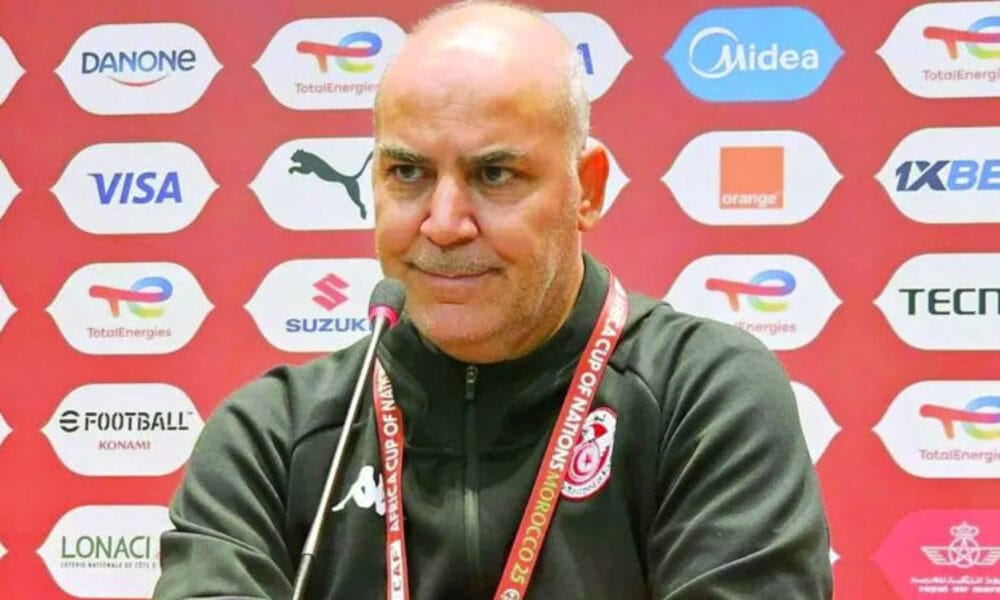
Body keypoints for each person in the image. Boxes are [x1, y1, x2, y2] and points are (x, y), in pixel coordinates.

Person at [154, 2, 833, 598]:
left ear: (587, 189)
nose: (444, 223)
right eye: (408, 173)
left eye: (495, 174)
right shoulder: (271, 436)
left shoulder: (703, 394)